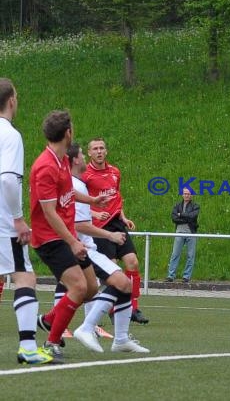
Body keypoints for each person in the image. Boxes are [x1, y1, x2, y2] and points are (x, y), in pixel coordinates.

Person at [30, 110, 106, 363]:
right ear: (67, 133)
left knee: (92, 288)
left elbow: (68, 194)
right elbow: (49, 213)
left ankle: (50, 319)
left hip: (67, 235)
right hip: (50, 239)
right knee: (79, 287)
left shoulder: (62, 159)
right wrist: (73, 242)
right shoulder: (45, 166)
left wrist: (92, 200)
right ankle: (51, 344)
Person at [68, 142, 149, 353]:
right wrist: (108, 233)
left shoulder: (89, 181)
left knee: (118, 280)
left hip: (96, 236)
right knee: (109, 282)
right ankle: (86, 327)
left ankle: (119, 336)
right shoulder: (78, 183)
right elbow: (78, 222)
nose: (97, 153)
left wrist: (117, 216)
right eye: (91, 151)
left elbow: (113, 199)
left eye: (102, 148)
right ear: (78, 159)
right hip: (86, 244)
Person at [0, 78, 53, 365]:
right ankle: (29, 348)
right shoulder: (10, 135)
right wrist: (18, 220)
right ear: (11, 101)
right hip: (3, 221)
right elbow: (8, 179)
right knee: (25, 277)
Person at [82, 137, 149, 324]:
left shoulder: (115, 172)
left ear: (106, 151)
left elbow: (117, 197)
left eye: (102, 148)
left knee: (133, 262)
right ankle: (112, 309)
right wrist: (94, 213)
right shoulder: (85, 175)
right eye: (95, 148)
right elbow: (78, 202)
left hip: (116, 224)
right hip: (100, 229)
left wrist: (123, 217)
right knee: (112, 272)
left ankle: (133, 308)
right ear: (89, 153)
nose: (99, 151)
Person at [166, 188, 200, 282]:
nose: (186, 195)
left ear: (191, 195)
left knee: (190, 255)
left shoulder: (195, 206)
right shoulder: (177, 205)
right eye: (185, 194)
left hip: (191, 233)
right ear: (182, 195)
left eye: (188, 194)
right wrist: (186, 217)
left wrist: (180, 214)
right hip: (179, 232)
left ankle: (186, 277)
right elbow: (174, 218)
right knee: (175, 254)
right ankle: (170, 276)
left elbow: (193, 216)